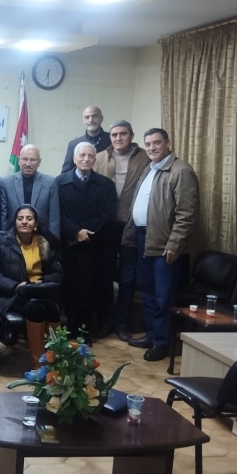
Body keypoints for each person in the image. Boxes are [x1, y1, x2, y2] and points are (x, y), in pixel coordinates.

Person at [123, 128, 199, 361]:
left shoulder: (181, 170)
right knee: (147, 291)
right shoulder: (150, 168)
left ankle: (161, 342)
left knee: (162, 296)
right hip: (143, 238)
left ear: (168, 143)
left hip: (164, 243)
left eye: (156, 143)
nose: (152, 148)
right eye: (148, 144)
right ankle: (151, 335)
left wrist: (175, 244)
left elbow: (187, 213)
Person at [0, 204, 63, 369]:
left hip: (40, 291)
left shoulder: (45, 243)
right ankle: (39, 366)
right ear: (15, 222)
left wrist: (42, 281)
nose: (24, 222)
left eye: (29, 218)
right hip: (12, 295)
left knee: (53, 308)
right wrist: (15, 285)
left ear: (36, 223)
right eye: (20, 218)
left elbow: (58, 274)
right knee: (34, 307)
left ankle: (54, 363)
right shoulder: (0, 242)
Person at [92, 120, 150, 341]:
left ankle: (122, 323)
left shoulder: (145, 158)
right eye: (114, 134)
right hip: (106, 226)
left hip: (132, 224)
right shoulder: (99, 157)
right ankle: (106, 321)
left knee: (127, 278)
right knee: (104, 275)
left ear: (131, 135)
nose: (118, 138)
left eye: (123, 134)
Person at [56, 142, 117, 343]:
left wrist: (85, 231)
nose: (86, 159)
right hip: (68, 245)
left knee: (89, 290)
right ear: (74, 158)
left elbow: (109, 214)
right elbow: (56, 213)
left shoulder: (106, 185)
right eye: (82, 155)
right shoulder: (59, 182)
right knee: (68, 288)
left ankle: (84, 334)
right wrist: (75, 232)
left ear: (95, 159)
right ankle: (67, 332)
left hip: (94, 246)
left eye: (91, 156)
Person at [0, 144, 60, 239]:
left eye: (33, 160)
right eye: (25, 159)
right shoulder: (5, 182)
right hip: (13, 239)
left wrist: (54, 242)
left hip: (41, 239)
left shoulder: (50, 182)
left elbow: (54, 218)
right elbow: (3, 216)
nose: (28, 164)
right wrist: (3, 240)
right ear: (19, 160)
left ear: (39, 162)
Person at [61, 106, 111, 173]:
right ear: (83, 121)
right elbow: (66, 173)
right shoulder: (74, 144)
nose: (91, 120)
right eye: (87, 117)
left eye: (94, 116)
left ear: (101, 118)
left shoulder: (112, 140)